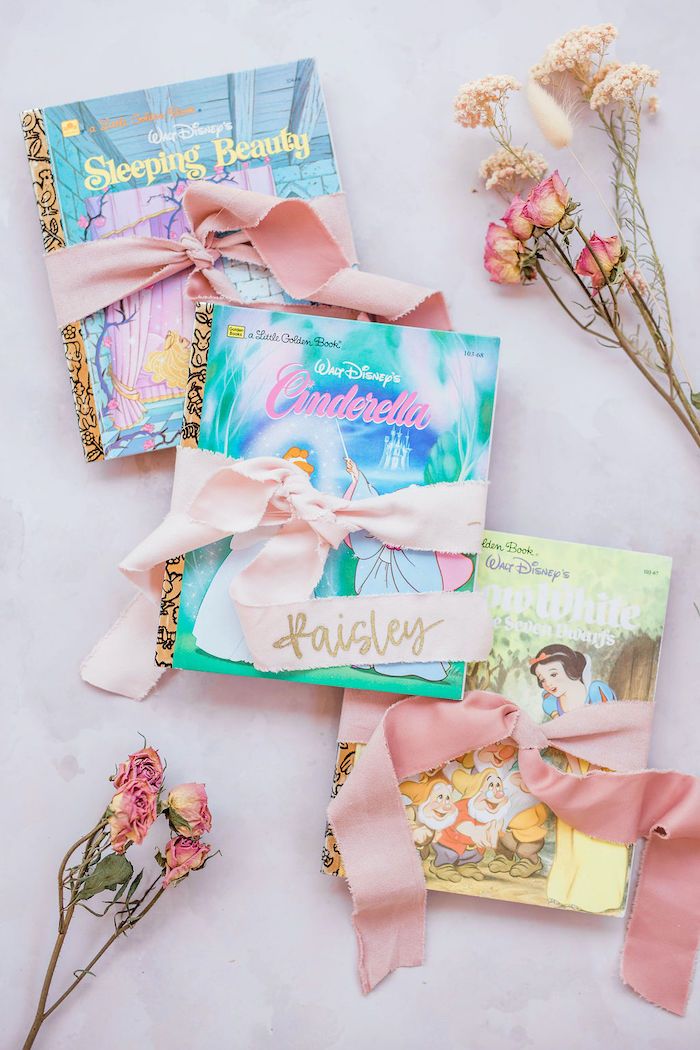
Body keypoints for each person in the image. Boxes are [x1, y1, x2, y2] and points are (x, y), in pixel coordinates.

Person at [343, 457, 473, 682]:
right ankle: (366, 655)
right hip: (378, 576)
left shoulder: (420, 546)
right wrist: (357, 477)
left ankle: (406, 663)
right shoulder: (382, 531)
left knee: (404, 618)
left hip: (405, 582)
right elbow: (370, 504)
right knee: (371, 614)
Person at [529, 644, 629, 913]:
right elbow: (566, 741)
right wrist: (576, 773)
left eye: (552, 674)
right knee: (570, 825)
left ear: (570, 669)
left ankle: (598, 895)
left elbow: (614, 732)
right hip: (575, 769)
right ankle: (566, 888)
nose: (548, 683)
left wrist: (597, 774)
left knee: (597, 828)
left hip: (606, 768)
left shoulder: (596, 690)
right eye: (542, 679)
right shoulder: (551, 702)